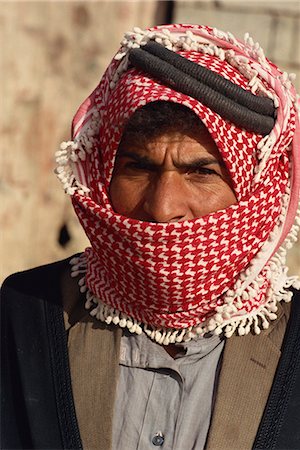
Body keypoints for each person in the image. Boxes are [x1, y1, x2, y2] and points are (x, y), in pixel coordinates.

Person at [1, 23, 300, 450]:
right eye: (138, 167)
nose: (163, 207)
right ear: (103, 176)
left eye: (201, 172)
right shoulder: (28, 311)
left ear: (256, 192)